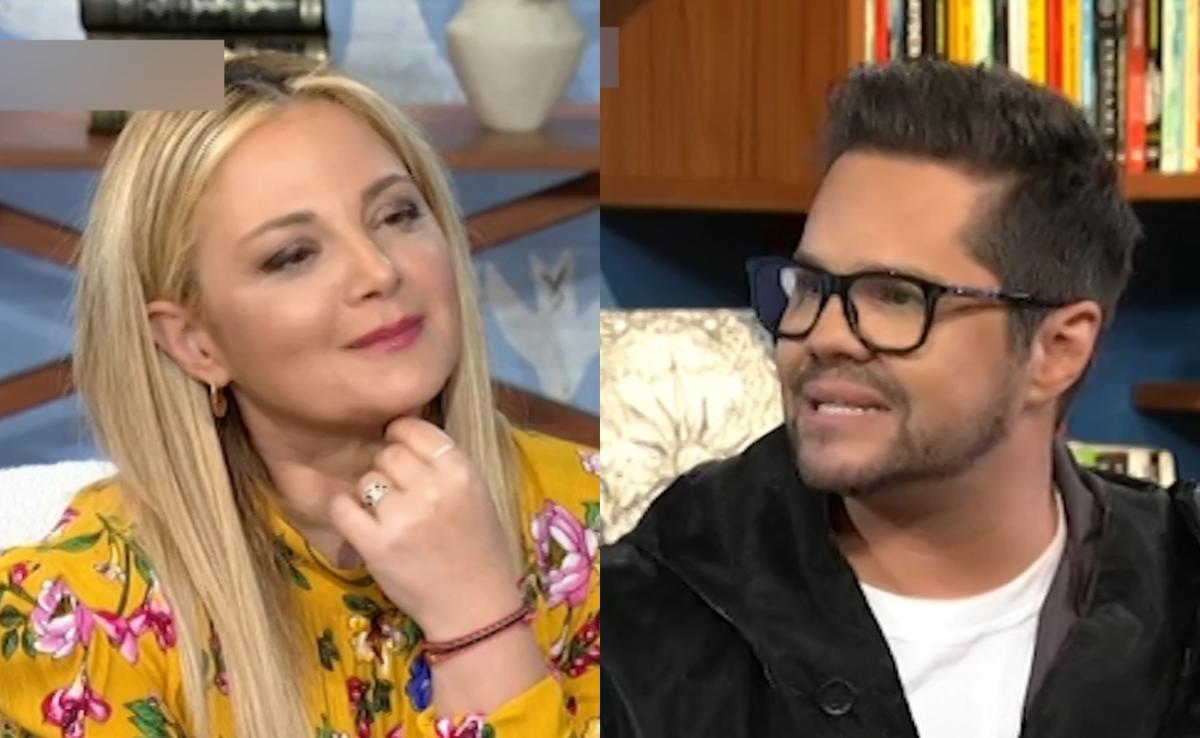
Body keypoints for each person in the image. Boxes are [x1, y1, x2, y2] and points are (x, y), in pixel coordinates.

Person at [0, 52, 599, 738]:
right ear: (196, 343)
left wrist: (478, 619)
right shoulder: (80, 615)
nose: (378, 270)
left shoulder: (602, 525)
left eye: (397, 214)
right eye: (293, 255)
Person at [601, 59, 1200, 738]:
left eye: (894, 296)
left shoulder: (1181, 605)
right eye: (810, 286)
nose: (823, 336)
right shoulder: (642, 621)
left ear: (1057, 350)